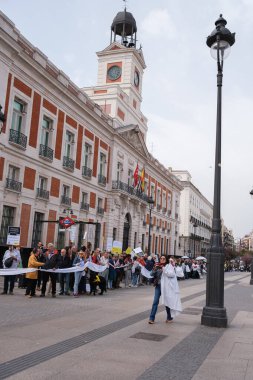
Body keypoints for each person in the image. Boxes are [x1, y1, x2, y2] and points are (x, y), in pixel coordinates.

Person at [148, 256, 182, 324]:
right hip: (158, 286)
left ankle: (169, 317)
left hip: (166, 287)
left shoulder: (168, 266)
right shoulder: (157, 265)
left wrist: (163, 268)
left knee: (167, 302)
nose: (162, 260)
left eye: (164, 259)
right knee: (155, 301)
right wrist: (155, 268)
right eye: (161, 258)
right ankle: (151, 318)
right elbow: (151, 274)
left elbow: (171, 275)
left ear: (166, 260)